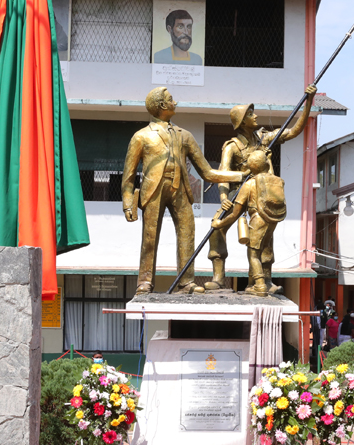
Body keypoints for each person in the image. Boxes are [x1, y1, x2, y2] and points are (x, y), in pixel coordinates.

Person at [122, 87, 244, 295]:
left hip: (181, 190)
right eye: (171, 100)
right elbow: (129, 175)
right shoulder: (141, 137)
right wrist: (127, 203)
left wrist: (239, 175)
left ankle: (186, 282)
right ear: (162, 106)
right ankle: (144, 281)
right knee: (150, 238)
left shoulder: (184, 136)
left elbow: (207, 172)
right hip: (153, 190)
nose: (175, 102)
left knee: (187, 234)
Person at [205, 85, 317, 292]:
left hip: (261, 193)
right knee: (217, 228)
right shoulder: (231, 146)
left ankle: (263, 280)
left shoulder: (264, 139)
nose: (255, 116)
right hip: (238, 193)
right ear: (241, 121)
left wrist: (308, 102)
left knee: (266, 235)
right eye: (250, 114)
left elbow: (294, 131)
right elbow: (222, 174)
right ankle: (219, 277)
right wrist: (223, 198)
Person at [210, 150, 286, 296]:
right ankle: (253, 284)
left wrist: (220, 224)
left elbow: (235, 213)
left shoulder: (250, 184)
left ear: (251, 167)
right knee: (263, 249)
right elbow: (268, 172)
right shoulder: (277, 181)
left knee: (253, 254)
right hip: (272, 220)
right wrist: (268, 160)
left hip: (258, 220)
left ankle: (260, 285)